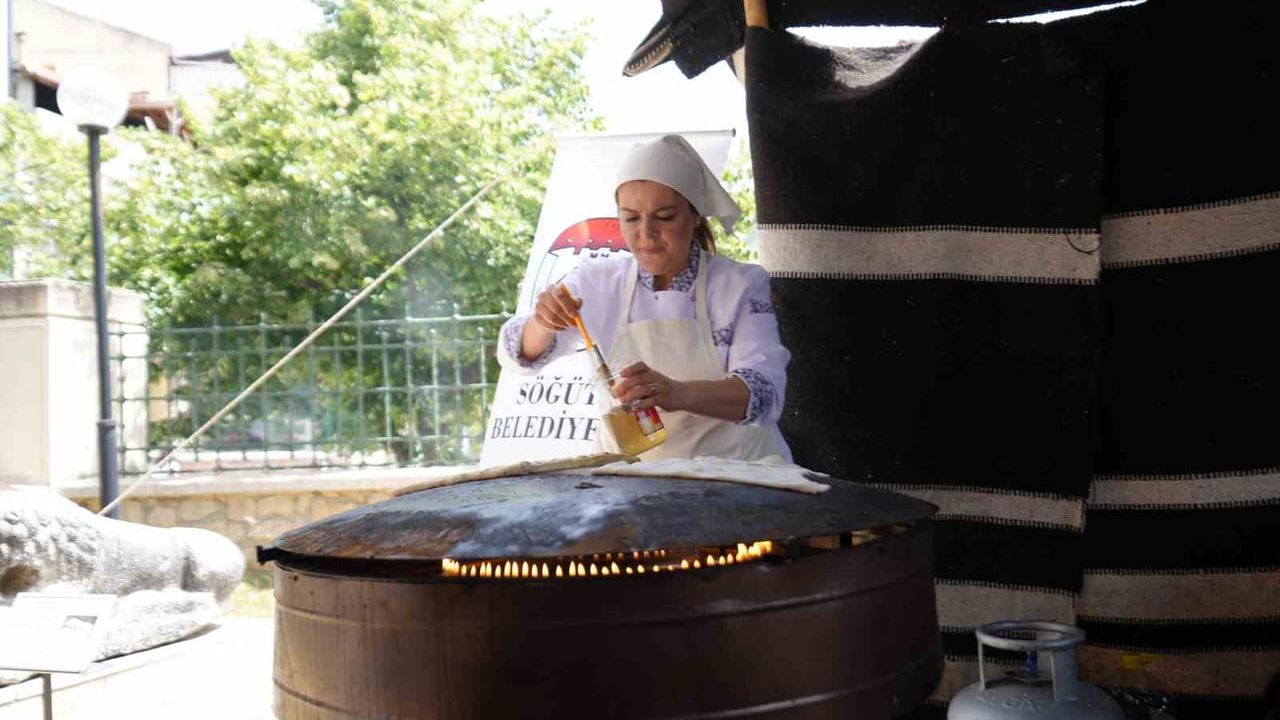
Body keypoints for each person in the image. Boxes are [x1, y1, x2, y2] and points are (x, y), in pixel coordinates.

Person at [496, 134, 791, 461]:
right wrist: (543, 322)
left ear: (695, 216)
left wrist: (676, 392)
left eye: (664, 217)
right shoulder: (598, 282)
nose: (646, 234)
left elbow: (764, 394)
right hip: (631, 475)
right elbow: (517, 355)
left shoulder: (739, 284)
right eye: (631, 218)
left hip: (735, 473)